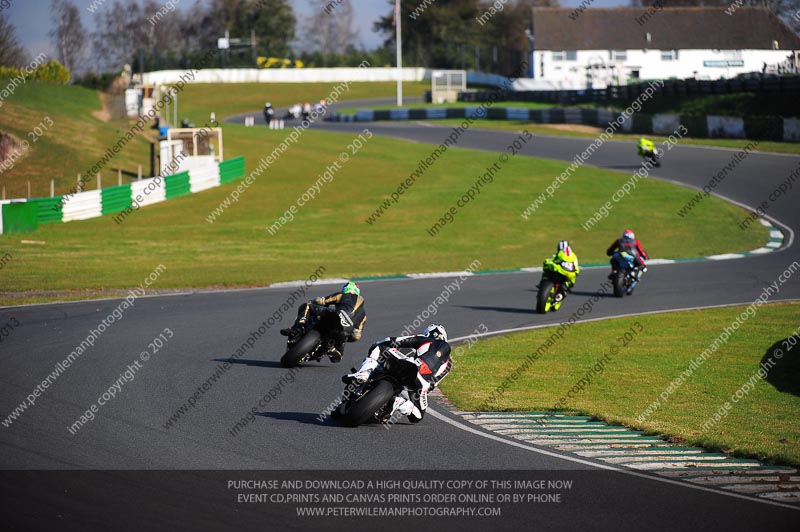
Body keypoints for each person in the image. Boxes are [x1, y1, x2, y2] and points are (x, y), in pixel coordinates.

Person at [343, 324, 452, 423]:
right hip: (422, 383)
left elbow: (398, 341)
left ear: (428, 333)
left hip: (410, 364)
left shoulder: (426, 339)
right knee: (417, 416)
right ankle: (399, 402)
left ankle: (364, 373)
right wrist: (421, 389)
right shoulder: (448, 364)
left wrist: (382, 342)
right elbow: (434, 384)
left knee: (379, 348)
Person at [280, 281, 366, 362]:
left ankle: (297, 327)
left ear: (345, 289)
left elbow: (321, 301)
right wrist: (346, 337)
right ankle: (330, 348)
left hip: (336, 317)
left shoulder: (342, 295)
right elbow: (356, 336)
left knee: (307, 305)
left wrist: (312, 301)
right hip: (345, 330)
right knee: (339, 356)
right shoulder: (363, 315)